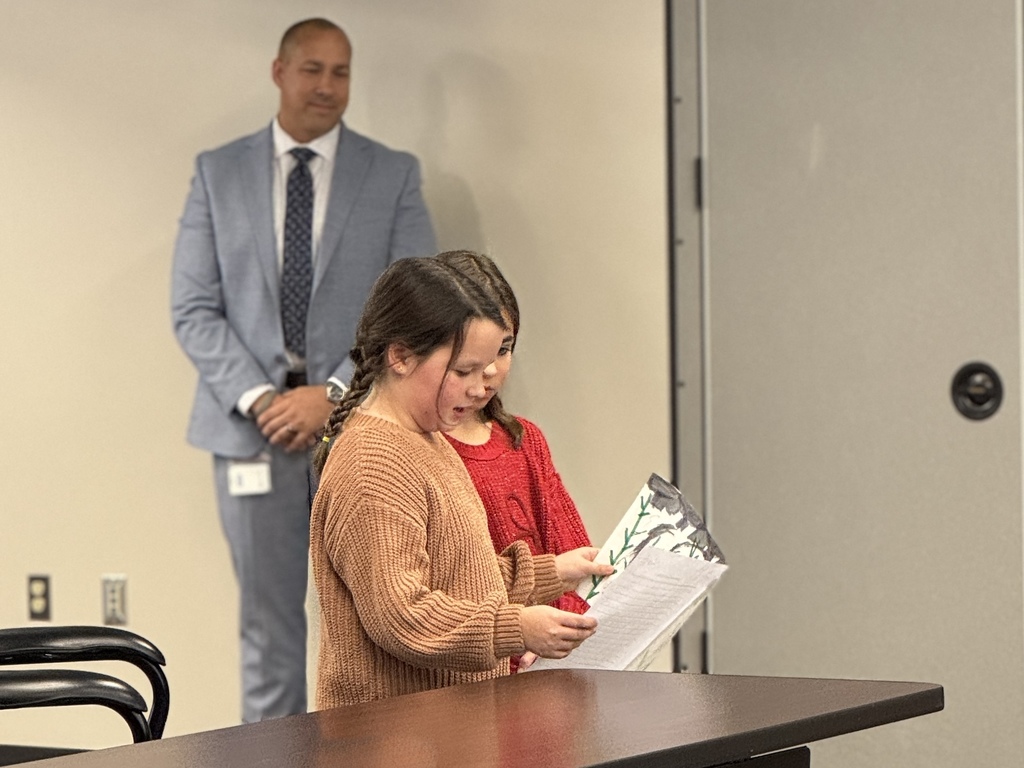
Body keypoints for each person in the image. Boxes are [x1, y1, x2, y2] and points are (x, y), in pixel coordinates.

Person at [171, 17, 435, 722]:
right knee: (269, 633)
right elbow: (193, 307)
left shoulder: (392, 173)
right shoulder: (217, 172)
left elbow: (418, 307)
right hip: (249, 436)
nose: (327, 86)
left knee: (380, 624)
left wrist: (337, 395)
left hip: (363, 434)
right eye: (313, 69)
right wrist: (263, 399)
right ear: (279, 72)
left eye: (341, 72)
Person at [310, 256, 613, 708]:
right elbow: (403, 616)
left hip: (446, 731)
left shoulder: (427, 438)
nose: (480, 388)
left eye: (491, 366)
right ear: (400, 356)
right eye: (463, 371)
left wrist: (553, 573)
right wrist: (517, 628)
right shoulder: (373, 464)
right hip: (393, 743)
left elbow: (463, 578)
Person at [436, 251, 593, 671]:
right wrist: (517, 635)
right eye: (472, 357)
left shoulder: (524, 440)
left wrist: (564, 627)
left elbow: (572, 559)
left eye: (504, 349)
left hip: (547, 671)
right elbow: (444, 591)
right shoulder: (424, 452)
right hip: (476, 675)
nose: (489, 371)